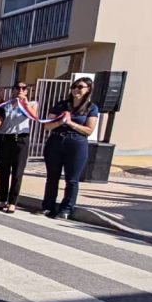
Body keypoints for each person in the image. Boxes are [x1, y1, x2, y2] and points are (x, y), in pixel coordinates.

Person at [40, 77, 99, 219]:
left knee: (72, 179)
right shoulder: (61, 105)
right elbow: (47, 126)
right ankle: (48, 206)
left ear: (88, 90)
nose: (76, 89)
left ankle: (66, 208)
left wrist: (71, 123)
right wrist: (60, 121)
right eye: (74, 86)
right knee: (52, 177)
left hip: (76, 143)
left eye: (80, 87)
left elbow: (89, 130)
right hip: (56, 141)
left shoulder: (91, 108)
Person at [0, 81, 38, 213]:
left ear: (26, 91)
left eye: (23, 88)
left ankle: (12, 202)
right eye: (17, 88)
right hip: (5, 139)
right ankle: (3, 199)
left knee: (17, 172)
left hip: (21, 139)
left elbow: (33, 116)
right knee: (3, 170)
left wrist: (24, 103)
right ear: (13, 90)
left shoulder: (32, 103)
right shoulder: (6, 104)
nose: (20, 90)